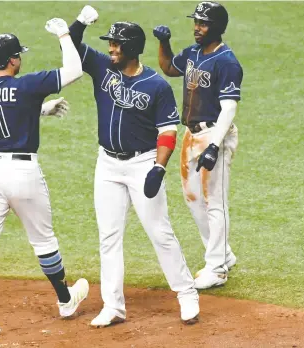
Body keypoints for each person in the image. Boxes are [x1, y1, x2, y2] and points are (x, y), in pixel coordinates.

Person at [67, 5, 200, 327]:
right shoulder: (102, 67)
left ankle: (186, 293)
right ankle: (113, 306)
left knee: (160, 232)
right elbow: (71, 45)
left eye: (116, 44)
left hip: (142, 164)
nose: (110, 48)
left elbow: (168, 131)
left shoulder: (157, 85)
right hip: (107, 165)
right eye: (110, 43)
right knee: (109, 236)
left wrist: (158, 168)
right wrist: (80, 22)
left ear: (131, 49)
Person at [0, 18, 89, 339]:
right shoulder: (26, 84)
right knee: (43, 240)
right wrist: (64, 33)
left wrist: (41, 110)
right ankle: (65, 300)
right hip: (22, 173)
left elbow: (2, 116)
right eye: (19, 55)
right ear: (13, 60)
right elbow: (74, 70)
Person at [153, 1, 243, 289]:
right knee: (194, 200)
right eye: (196, 22)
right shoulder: (193, 53)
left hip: (214, 133)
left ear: (216, 27)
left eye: (203, 23)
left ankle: (216, 268)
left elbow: (228, 108)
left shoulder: (227, 62)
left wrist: (215, 146)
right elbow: (168, 68)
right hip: (191, 135)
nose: (197, 27)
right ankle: (222, 254)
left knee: (215, 202)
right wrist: (164, 42)